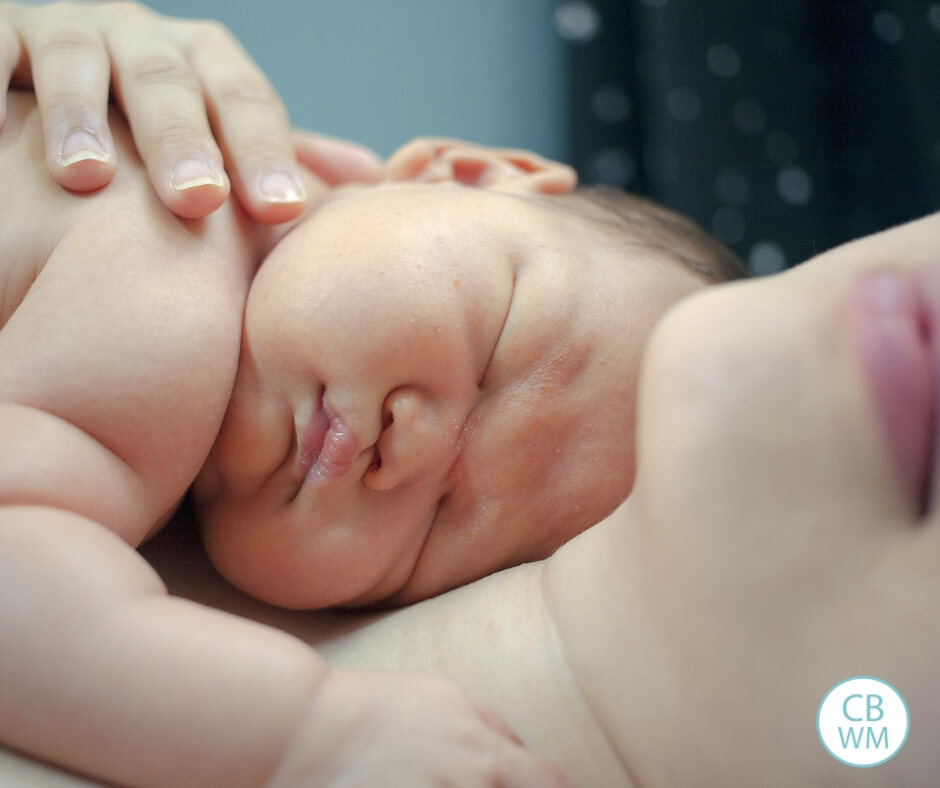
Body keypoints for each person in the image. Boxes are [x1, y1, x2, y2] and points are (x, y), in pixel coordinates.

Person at [0, 3, 746, 785]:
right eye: (495, 347)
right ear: (463, 175)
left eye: (440, 524)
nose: (411, 452)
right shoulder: (172, 284)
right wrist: (308, 735)